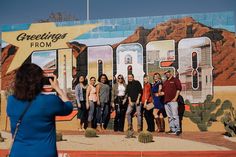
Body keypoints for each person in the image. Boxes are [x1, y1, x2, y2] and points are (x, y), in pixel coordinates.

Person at [7, 63, 73, 157]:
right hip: (45, 153)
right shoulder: (50, 101)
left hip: (18, 152)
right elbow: (69, 107)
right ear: (40, 81)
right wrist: (57, 88)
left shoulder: (11, 101)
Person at [161, 70, 182, 136]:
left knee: (175, 115)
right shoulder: (165, 82)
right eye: (165, 73)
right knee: (170, 116)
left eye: (168, 72)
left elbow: (179, 89)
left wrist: (175, 98)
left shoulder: (175, 80)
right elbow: (164, 92)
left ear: (170, 73)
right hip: (166, 102)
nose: (167, 74)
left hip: (173, 101)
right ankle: (172, 129)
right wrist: (159, 93)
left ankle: (177, 129)